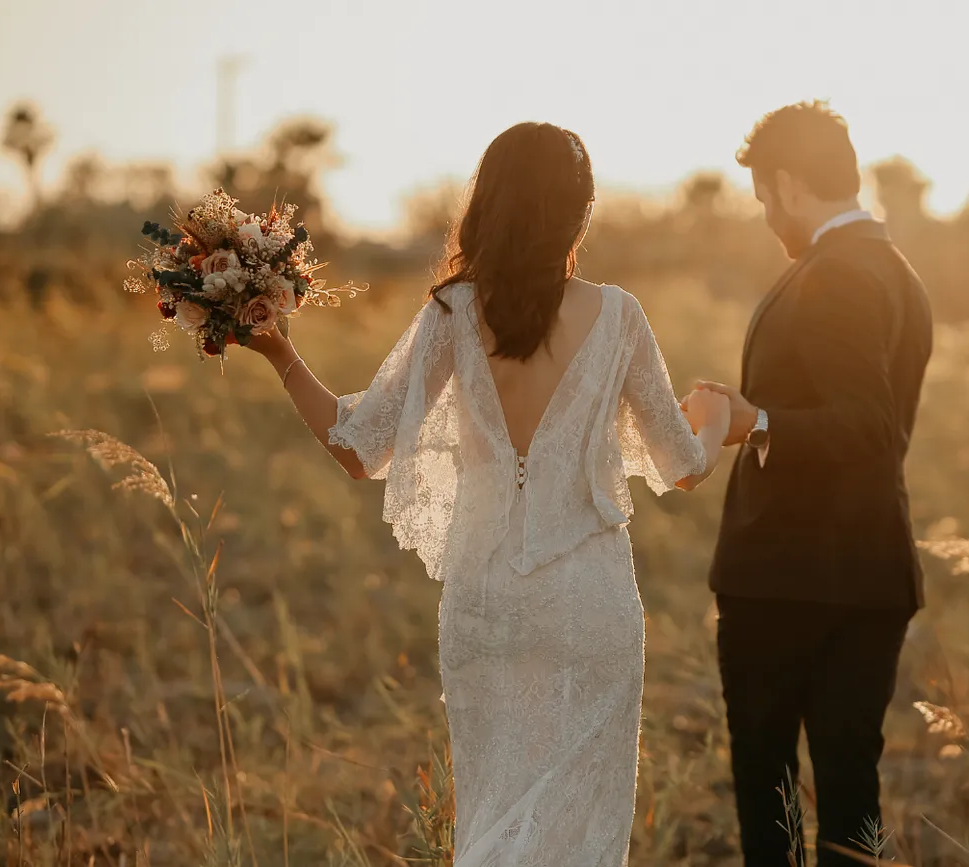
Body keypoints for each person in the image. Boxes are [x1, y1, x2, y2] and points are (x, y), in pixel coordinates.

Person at [246, 121, 731, 865]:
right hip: (589, 605)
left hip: (487, 603)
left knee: (494, 817)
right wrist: (721, 414)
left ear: (490, 204)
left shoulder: (452, 312)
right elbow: (685, 464)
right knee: (580, 830)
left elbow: (358, 446)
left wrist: (280, 352)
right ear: (579, 213)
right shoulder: (620, 316)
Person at [693, 101, 933, 865]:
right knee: (850, 794)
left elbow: (870, 426)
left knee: (769, 790)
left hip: (792, 581)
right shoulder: (898, 272)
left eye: (765, 197)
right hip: (867, 575)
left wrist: (753, 419)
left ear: (791, 185)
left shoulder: (842, 276)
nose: (767, 214)